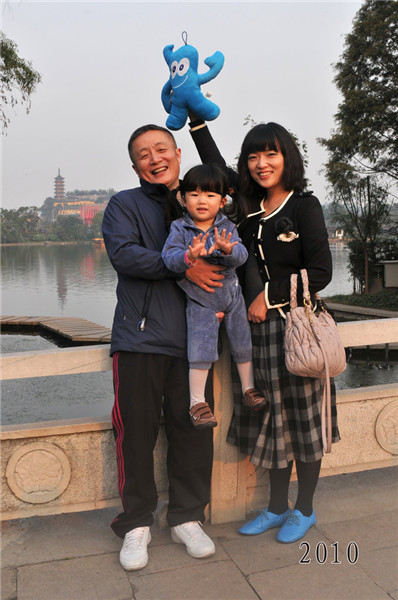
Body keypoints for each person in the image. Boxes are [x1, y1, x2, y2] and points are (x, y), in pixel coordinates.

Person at [189, 120, 339, 543]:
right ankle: (276, 508)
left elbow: (323, 271)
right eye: (253, 156)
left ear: (287, 157)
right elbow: (214, 163)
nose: (261, 164)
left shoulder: (303, 206)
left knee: (305, 422)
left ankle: (304, 509)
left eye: (270, 154)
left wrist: (267, 297)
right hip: (258, 337)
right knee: (273, 422)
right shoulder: (246, 208)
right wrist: (197, 124)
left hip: (298, 330)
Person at [102, 124, 225, 571]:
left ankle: (187, 517)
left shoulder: (199, 201)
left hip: (195, 341)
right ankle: (136, 524)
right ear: (134, 165)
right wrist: (182, 267)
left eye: (161, 149)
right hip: (140, 336)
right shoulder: (124, 205)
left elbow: (229, 253)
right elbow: (124, 255)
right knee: (135, 432)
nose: (154, 158)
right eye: (143, 154)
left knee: (193, 428)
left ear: (176, 152)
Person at [162, 163, 267, 429]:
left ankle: (248, 389)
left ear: (222, 201)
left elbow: (242, 257)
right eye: (194, 194)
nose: (201, 201)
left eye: (209, 195)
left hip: (232, 296)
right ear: (182, 198)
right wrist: (189, 256)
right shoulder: (179, 228)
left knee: (243, 342)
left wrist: (228, 250)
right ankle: (197, 403)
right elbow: (168, 259)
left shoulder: (228, 227)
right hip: (201, 300)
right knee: (201, 349)